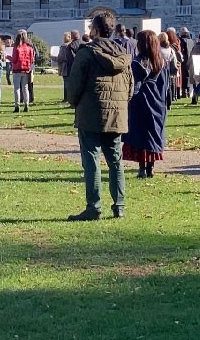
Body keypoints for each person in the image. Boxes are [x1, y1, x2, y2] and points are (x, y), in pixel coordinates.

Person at [62, 11, 131, 221]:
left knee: (91, 160)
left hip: (91, 112)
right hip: (116, 114)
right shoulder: (123, 54)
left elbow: (75, 85)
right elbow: (130, 86)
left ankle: (94, 206)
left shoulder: (87, 53)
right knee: (116, 161)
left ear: (96, 30)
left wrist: (75, 103)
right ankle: (119, 205)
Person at [121, 29, 170, 178]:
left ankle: (142, 168)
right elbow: (166, 85)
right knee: (153, 134)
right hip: (158, 104)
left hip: (141, 104)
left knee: (141, 136)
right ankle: (150, 167)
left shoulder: (137, 63)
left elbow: (134, 87)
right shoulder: (162, 62)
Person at [8, 30, 36, 111]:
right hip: (26, 69)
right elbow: (32, 59)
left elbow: (14, 60)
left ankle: (17, 105)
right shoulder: (30, 48)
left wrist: (8, 57)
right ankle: (26, 104)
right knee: (25, 88)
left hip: (17, 69)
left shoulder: (16, 48)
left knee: (17, 88)